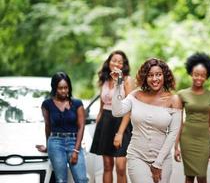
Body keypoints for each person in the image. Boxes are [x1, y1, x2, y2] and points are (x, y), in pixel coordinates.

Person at [111, 58, 182, 183]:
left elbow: (173, 134)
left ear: (164, 76)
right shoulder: (135, 95)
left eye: (158, 74)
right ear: (145, 77)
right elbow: (117, 111)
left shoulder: (174, 100)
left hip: (163, 159)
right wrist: (119, 84)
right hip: (137, 156)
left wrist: (158, 164)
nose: (154, 79)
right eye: (150, 75)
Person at [90, 50, 134, 183]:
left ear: (124, 65)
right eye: (114, 60)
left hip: (122, 121)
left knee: (121, 167)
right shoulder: (104, 79)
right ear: (109, 62)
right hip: (105, 122)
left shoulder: (127, 80)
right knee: (107, 166)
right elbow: (101, 106)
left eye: (120, 62)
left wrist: (120, 133)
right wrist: (99, 123)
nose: (116, 64)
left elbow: (130, 108)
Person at [36, 72, 88, 183]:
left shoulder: (77, 103)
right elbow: (48, 126)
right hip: (55, 143)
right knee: (60, 180)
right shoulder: (47, 104)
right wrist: (48, 147)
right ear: (54, 88)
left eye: (66, 87)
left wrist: (76, 150)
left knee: (82, 179)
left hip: (74, 142)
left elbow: (81, 126)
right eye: (60, 88)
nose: (64, 91)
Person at [174, 52, 210, 183]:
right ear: (191, 74)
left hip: (203, 140)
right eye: (196, 74)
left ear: (207, 76)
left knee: (202, 176)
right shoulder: (182, 95)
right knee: (189, 176)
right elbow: (178, 122)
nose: (199, 78)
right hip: (187, 139)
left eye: (202, 75)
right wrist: (175, 146)